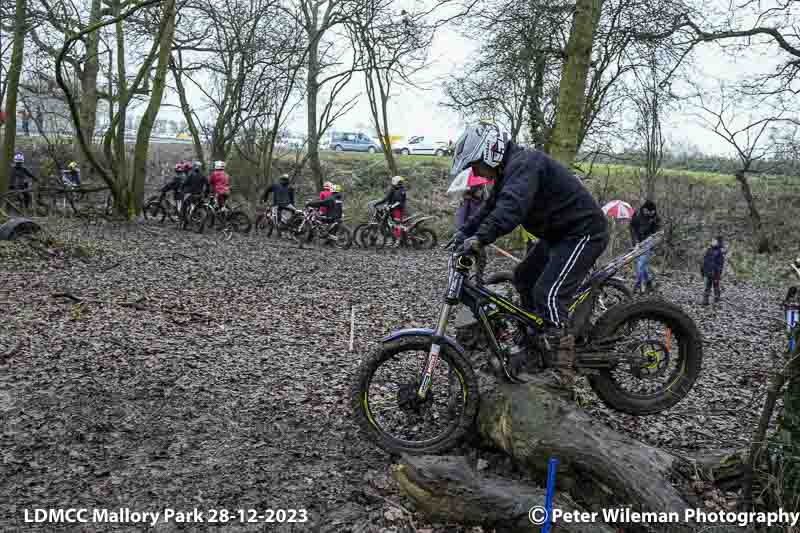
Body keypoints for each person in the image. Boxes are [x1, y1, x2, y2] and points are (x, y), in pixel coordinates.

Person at [449, 121, 608, 385]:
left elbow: (511, 208)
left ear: (491, 151)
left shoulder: (525, 164)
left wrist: (481, 238)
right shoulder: (509, 171)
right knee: (523, 277)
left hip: (584, 233)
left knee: (548, 292)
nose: (476, 171)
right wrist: (465, 232)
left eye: (475, 164)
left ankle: (561, 372)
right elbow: (490, 208)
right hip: (558, 236)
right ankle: (536, 344)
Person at [629, 200, 660, 294]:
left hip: (648, 243)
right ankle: (648, 282)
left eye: (652, 211)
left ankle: (637, 285)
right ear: (644, 209)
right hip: (638, 243)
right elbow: (632, 228)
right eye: (648, 211)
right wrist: (635, 242)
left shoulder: (655, 218)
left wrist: (651, 239)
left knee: (641, 264)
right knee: (643, 265)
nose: (650, 213)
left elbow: (657, 232)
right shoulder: (637, 214)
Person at [375, 175, 407, 247]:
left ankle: (398, 241)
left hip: (398, 210)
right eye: (400, 182)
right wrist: (377, 203)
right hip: (392, 210)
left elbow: (399, 202)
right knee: (391, 225)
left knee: (397, 225)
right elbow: (386, 198)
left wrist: (391, 206)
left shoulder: (402, 191)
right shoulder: (394, 189)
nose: (401, 183)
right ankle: (393, 240)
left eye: (401, 182)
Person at [701, 236, 725, 305]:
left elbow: (720, 265)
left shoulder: (719, 252)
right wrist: (703, 270)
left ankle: (717, 300)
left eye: (714, 241)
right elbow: (705, 261)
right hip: (708, 273)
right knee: (707, 287)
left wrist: (717, 274)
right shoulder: (709, 250)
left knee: (716, 287)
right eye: (712, 240)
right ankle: (705, 301)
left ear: (718, 242)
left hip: (715, 274)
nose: (712, 242)